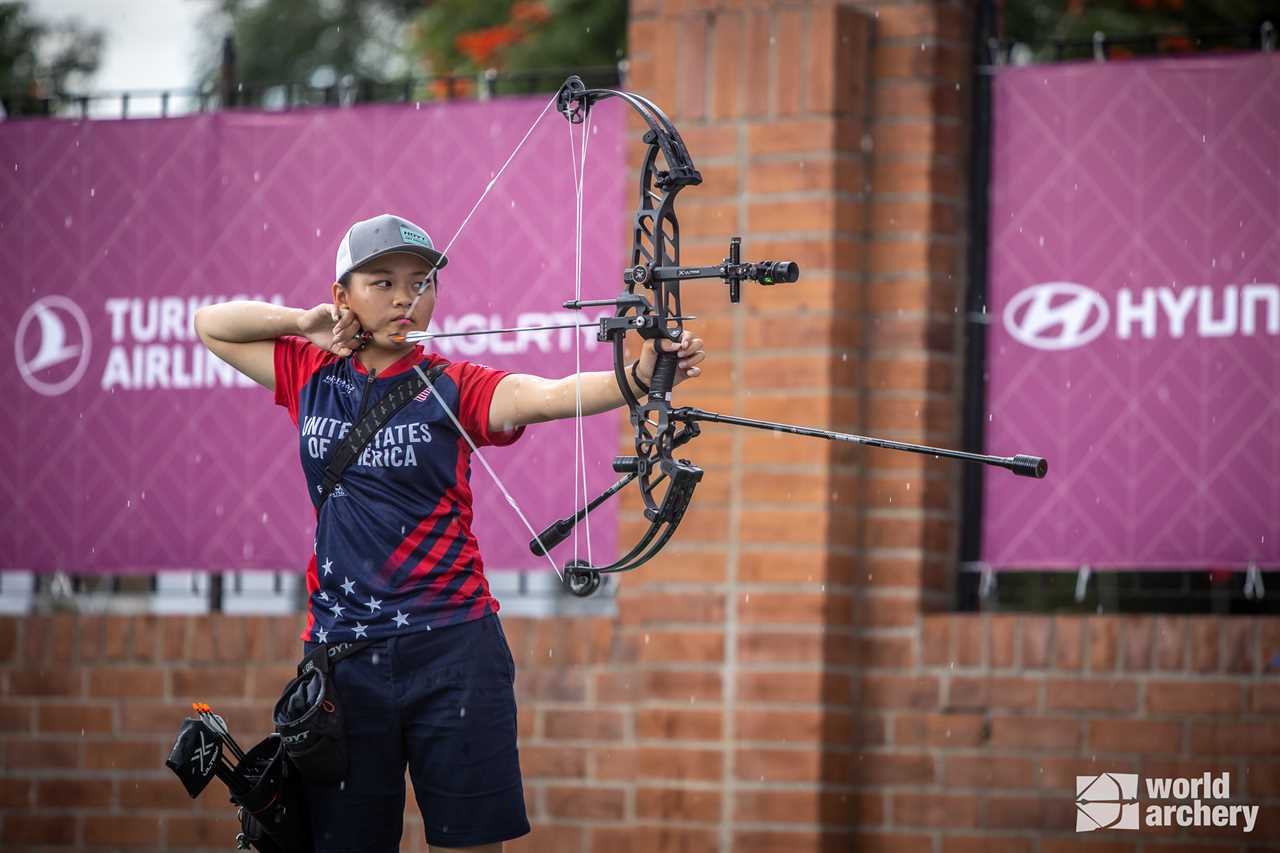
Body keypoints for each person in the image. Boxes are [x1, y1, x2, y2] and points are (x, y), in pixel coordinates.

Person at [193, 213, 705, 852]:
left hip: (454, 650)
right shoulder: (310, 373)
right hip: (345, 661)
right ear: (342, 297)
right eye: (381, 282)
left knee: (469, 844)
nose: (407, 298)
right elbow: (210, 325)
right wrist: (302, 323)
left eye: (422, 282)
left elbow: (545, 395)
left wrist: (638, 376)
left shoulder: (453, 386)